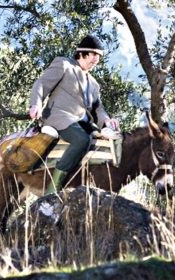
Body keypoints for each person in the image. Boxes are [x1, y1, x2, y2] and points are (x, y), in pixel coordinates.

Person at [29, 35, 120, 194]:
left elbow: (98, 109)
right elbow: (42, 84)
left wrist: (107, 121)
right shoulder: (64, 64)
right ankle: (52, 189)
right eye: (94, 55)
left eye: (98, 57)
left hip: (82, 124)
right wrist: (36, 103)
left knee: (111, 142)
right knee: (81, 139)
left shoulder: (94, 84)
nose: (96, 59)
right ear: (83, 53)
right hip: (59, 117)